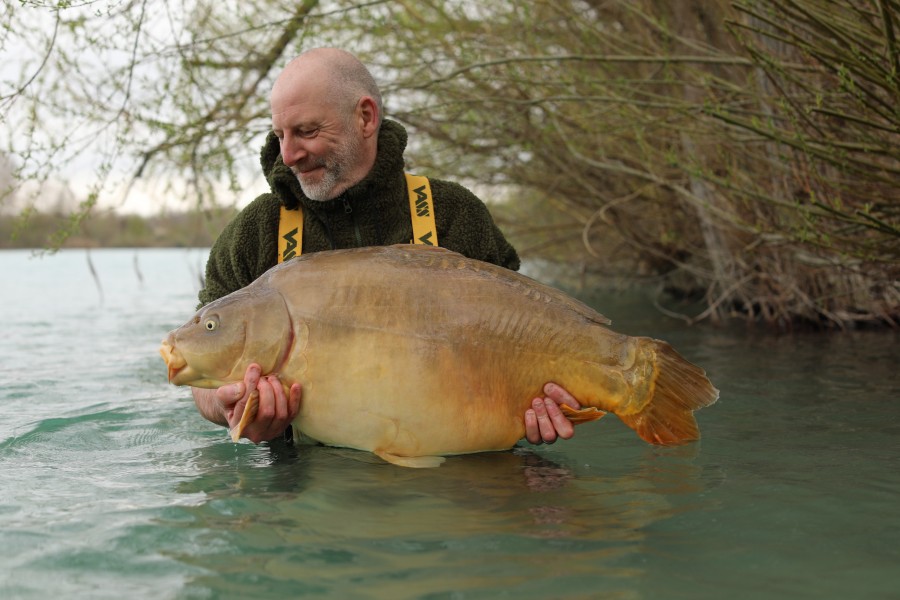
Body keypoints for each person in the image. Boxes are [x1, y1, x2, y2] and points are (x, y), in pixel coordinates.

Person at [191, 47, 581, 448]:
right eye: (280, 135)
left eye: (306, 132)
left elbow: (526, 336)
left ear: (365, 117)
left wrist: (543, 406)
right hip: (305, 485)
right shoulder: (255, 232)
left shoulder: (454, 213)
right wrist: (229, 407)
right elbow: (203, 376)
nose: (288, 155)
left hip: (459, 479)